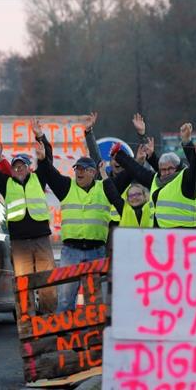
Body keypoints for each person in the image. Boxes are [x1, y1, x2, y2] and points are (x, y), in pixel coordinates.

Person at [34, 119, 120, 312]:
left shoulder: (103, 188)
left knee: (93, 301)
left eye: (82, 170)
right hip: (70, 251)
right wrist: (41, 142)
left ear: (92, 172)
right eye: (76, 169)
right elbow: (49, 170)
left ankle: (92, 340)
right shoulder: (66, 187)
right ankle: (64, 339)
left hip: (96, 251)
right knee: (65, 300)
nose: (78, 173)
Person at [0, 125, 56, 313]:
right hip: (20, 244)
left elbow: (48, 159)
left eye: (22, 166)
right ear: (11, 170)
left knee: (48, 283)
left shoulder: (39, 178)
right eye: (15, 167)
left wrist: (41, 137)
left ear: (29, 167)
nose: (19, 169)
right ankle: (27, 321)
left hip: (41, 240)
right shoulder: (6, 184)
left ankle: (48, 318)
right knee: (24, 284)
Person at [111, 122, 196, 228]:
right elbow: (137, 170)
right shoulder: (157, 180)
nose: (166, 173)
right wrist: (119, 155)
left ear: (178, 167)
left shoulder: (186, 180)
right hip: (161, 236)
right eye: (163, 169)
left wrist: (194, 151)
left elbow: (195, 170)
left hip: (185, 237)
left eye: (170, 168)